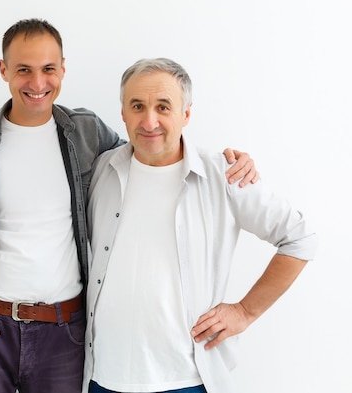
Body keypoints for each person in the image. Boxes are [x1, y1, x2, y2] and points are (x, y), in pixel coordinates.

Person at [0, 19, 258, 393]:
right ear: (3, 69)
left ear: (63, 70)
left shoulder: (87, 132)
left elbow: (149, 146)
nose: (38, 84)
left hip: (64, 331)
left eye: (48, 69)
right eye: (24, 70)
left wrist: (223, 160)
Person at [82, 58, 318, 393]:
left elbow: (299, 238)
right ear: (122, 112)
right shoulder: (101, 170)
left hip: (187, 379)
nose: (149, 121)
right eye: (137, 106)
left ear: (186, 114)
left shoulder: (224, 175)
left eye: (163, 107)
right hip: (103, 376)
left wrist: (245, 312)